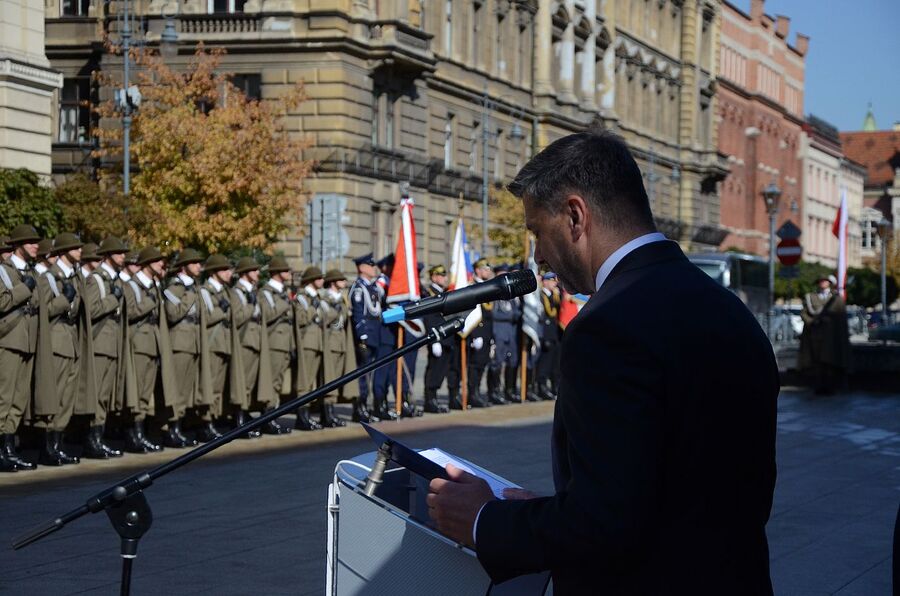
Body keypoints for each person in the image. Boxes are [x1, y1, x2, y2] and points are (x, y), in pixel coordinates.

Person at [426, 131, 779, 594]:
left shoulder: (607, 327)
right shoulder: (728, 309)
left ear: (575, 216)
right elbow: (676, 489)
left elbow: (605, 525)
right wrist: (552, 510)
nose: (539, 256)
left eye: (537, 231)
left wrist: (484, 520)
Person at [31, 233, 83, 465]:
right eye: (75, 247)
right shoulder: (48, 277)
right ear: (64, 251)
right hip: (56, 340)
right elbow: (44, 309)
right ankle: (47, 447)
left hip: (70, 340)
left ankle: (57, 444)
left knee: (66, 398)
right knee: (54, 396)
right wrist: (64, 299)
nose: (80, 251)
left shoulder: (74, 276)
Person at [0, 224, 41, 471]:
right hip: (8, 340)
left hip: (26, 340)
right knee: (4, 397)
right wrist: (25, 287)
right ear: (18, 246)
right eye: (30, 242)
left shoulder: (30, 272)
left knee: (18, 399)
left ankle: (8, 448)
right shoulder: (4, 271)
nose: (36, 245)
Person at [82, 236, 126, 458]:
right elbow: (92, 310)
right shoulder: (96, 279)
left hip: (112, 344)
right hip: (100, 345)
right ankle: (92, 440)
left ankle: (99, 437)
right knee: (97, 394)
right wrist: (112, 299)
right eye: (119, 253)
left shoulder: (113, 279)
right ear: (108, 256)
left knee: (105, 395)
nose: (123, 257)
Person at [120, 247, 166, 453]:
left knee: (145, 394)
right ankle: (133, 436)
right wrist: (150, 301)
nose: (161, 264)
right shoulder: (133, 285)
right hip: (138, 344)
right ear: (147, 264)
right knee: (136, 392)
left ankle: (140, 434)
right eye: (157, 261)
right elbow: (130, 312)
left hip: (152, 344)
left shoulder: (153, 285)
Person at [163, 248, 206, 446]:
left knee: (187, 390)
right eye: (195, 262)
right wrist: (188, 296)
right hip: (180, 343)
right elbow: (173, 314)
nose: (199, 266)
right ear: (185, 266)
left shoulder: (193, 287)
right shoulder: (175, 288)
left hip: (193, 342)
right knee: (177, 390)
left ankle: (180, 427)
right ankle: (172, 429)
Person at [229, 257, 264, 439]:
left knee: (249, 383)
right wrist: (251, 306)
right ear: (245, 273)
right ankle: (238, 418)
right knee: (241, 383)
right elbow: (238, 317)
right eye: (254, 270)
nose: (258, 273)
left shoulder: (252, 291)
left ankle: (245, 414)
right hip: (244, 341)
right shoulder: (237, 292)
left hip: (255, 340)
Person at [257, 256, 293, 434]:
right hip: (274, 343)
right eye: (286, 271)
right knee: (271, 382)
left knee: (278, 383)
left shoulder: (281, 292)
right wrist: (284, 303)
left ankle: (273, 416)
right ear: (278, 273)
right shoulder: (267, 292)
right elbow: (268, 314)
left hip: (284, 343)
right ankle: (267, 417)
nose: (289, 274)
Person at [799, 275, 851, 394]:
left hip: (831, 336)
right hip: (815, 335)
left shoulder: (836, 298)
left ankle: (830, 386)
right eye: (820, 281)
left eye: (825, 281)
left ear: (829, 283)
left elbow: (840, 316)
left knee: (829, 361)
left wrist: (829, 321)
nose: (822, 283)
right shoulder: (811, 297)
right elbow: (804, 313)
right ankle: (818, 386)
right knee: (816, 362)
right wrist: (811, 322)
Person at [349, 253, 384, 422]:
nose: (374, 268)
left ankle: (365, 407)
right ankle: (359, 408)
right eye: (371, 265)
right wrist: (361, 335)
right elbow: (357, 313)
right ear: (362, 268)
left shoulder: (372, 287)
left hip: (374, 334)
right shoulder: (358, 288)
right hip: (364, 336)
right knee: (362, 375)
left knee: (368, 373)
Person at [319, 269, 357, 426]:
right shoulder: (325, 298)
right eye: (341, 280)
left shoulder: (341, 299)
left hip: (341, 342)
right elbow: (325, 318)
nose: (344, 282)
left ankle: (330, 413)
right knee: (329, 379)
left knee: (335, 380)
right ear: (333, 282)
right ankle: (327, 414)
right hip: (331, 343)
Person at [421, 265, 455, 413]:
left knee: (441, 369)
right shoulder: (429, 293)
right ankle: (429, 400)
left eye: (444, 275)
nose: (444, 278)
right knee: (434, 369)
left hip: (446, 337)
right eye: (441, 275)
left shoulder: (443, 293)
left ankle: (433, 398)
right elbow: (429, 318)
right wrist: (434, 341)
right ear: (433, 277)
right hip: (437, 337)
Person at [489, 263, 522, 403]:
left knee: (512, 361)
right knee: (497, 362)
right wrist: (511, 315)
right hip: (499, 331)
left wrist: (515, 314)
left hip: (511, 332)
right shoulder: (493, 291)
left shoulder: (511, 292)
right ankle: (494, 391)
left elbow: (517, 310)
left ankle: (509, 390)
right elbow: (493, 314)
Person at [464, 258, 495, 408]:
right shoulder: (473, 287)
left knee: (482, 364)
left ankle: (477, 392)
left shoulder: (488, 287)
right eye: (485, 269)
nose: (488, 272)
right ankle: (472, 394)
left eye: (488, 269)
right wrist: (476, 334)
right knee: (474, 366)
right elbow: (472, 313)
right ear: (477, 270)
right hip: (478, 332)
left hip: (488, 332)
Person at [535, 271, 561, 400]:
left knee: (554, 362)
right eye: (551, 281)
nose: (554, 283)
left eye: (554, 281)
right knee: (544, 362)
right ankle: (541, 387)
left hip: (554, 333)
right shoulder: (541, 295)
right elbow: (546, 313)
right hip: (545, 333)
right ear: (545, 281)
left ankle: (554, 386)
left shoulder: (554, 295)